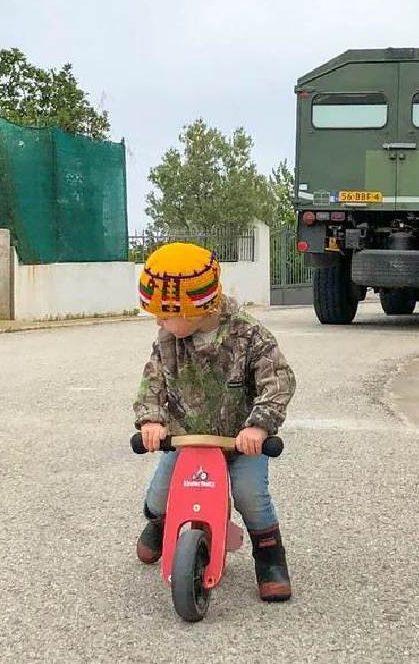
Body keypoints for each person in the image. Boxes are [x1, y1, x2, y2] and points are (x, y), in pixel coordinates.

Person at [133, 241, 297, 600]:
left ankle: (269, 554)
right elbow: (153, 381)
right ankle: (159, 524)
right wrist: (151, 421)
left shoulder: (249, 336)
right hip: (187, 440)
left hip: (239, 444)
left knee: (251, 494)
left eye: (164, 313)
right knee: (161, 493)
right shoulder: (167, 341)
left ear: (195, 308)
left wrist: (259, 425)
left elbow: (279, 380)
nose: (159, 321)